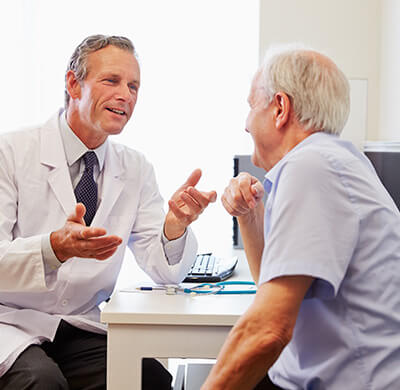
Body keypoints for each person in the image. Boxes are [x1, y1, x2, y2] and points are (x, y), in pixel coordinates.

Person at [0, 34, 216, 389]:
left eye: (134, 86)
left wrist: (175, 226)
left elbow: (165, 271)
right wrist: (53, 248)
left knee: (152, 381)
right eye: (112, 81)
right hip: (10, 323)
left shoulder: (135, 168)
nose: (126, 95)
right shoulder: (10, 152)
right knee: (42, 381)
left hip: (79, 326)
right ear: (73, 83)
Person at [202, 45, 400, 390]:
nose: (245, 123)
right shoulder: (331, 161)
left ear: (280, 108)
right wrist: (250, 217)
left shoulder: (311, 167)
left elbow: (268, 330)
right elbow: (273, 282)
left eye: (250, 106)